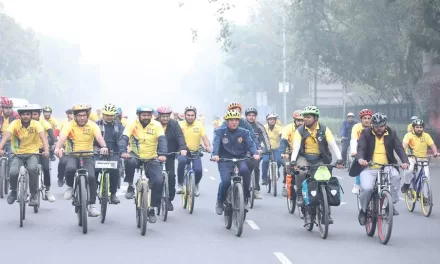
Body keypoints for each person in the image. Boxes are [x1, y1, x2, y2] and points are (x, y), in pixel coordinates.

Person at [352, 113, 409, 225]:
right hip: (369, 167)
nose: (379, 128)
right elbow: (361, 148)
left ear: (385, 125)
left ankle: (390, 205)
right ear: (372, 125)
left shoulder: (391, 132)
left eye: (381, 126)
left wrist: (405, 161)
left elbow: (399, 148)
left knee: (396, 177)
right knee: (367, 189)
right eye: (376, 126)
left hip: (387, 166)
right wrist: (360, 159)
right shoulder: (366, 133)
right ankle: (363, 210)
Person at [54, 104, 109, 217]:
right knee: (70, 168)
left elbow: (99, 137)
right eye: (79, 115)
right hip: (73, 154)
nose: (82, 118)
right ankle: (69, 187)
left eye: (84, 115)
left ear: (87, 115)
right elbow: (63, 137)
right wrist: (58, 148)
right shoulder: (69, 125)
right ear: (74, 116)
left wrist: (104, 146)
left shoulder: (92, 125)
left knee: (92, 177)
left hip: (88, 154)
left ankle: (92, 206)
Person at [118, 105, 167, 223]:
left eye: (148, 115)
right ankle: (130, 185)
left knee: (159, 181)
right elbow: (124, 138)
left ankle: (152, 208)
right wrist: (123, 151)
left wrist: (162, 154)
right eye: (144, 115)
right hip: (136, 155)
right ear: (138, 115)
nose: (146, 117)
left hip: (151, 157)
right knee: (129, 162)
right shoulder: (132, 124)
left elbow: (162, 140)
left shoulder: (156, 125)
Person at [290, 105, 344, 212]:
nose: (305, 119)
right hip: (304, 157)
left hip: (320, 158)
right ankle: (300, 195)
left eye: (308, 117)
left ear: (316, 118)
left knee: (324, 178)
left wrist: (339, 159)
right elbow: (296, 147)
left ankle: (325, 202)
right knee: (301, 173)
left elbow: (333, 145)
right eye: (304, 117)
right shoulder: (300, 131)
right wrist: (293, 161)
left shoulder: (324, 129)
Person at [211, 110, 260, 215]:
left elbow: (251, 144)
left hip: (240, 158)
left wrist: (255, 153)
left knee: (245, 172)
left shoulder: (244, 132)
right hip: (225, 159)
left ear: (239, 121)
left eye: (236, 120)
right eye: (231, 120)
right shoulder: (220, 132)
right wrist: (215, 155)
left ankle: (245, 198)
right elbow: (216, 144)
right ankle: (220, 201)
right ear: (227, 121)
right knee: (226, 181)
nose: (234, 122)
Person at [0, 105, 49, 205]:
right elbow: (6, 137)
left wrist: (46, 151)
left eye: (28, 114)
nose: (26, 116)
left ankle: (34, 194)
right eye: (23, 114)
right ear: (20, 115)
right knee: (13, 172)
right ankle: (13, 191)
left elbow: (44, 138)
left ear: (31, 115)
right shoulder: (14, 124)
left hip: (33, 153)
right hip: (17, 154)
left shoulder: (36, 124)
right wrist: (0, 148)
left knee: (32, 169)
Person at [156, 105, 187, 211]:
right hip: (155, 153)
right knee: (155, 177)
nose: (165, 118)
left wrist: (182, 147)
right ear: (159, 116)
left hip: (170, 153)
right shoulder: (153, 124)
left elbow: (180, 136)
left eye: (167, 116)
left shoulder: (174, 124)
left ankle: (169, 199)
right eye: (163, 116)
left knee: (171, 176)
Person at [177, 106, 212, 196]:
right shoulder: (179, 124)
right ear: (185, 115)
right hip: (183, 152)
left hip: (195, 152)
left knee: (198, 170)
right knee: (182, 162)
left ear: (195, 116)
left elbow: (204, 138)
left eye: (192, 115)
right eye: (188, 115)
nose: (190, 117)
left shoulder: (199, 125)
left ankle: (195, 184)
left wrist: (208, 146)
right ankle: (180, 184)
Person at [94, 103, 124, 204]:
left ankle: (113, 194)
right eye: (107, 115)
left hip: (114, 151)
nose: (109, 117)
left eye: (111, 115)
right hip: (98, 151)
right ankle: (93, 189)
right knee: (95, 169)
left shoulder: (119, 125)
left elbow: (122, 138)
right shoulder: (96, 124)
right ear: (103, 114)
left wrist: (123, 149)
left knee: (115, 170)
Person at [401, 118, 439, 193]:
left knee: (426, 177)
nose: (419, 129)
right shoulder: (408, 135)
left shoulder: (426, 136)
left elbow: (432, 145)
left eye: (421, 127)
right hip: (411, 157)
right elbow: (403, 146)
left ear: (423, 128)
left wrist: (435, 152)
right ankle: (407, 183)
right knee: (409, 170)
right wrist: (403, 154)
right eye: (417, 127)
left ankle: (425, 198)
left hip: (423, 159)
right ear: (413, 127)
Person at [29, 104, 56, 202]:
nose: (33, 116)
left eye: (35, 114)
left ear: (39, 114)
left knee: (45, 168)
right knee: (29, 170)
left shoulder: (44, 123)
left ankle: (48, 191)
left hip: (42, 149)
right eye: (31, 114)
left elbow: (51, 134)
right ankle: (28, 192)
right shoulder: (25, 123)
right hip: (30, 150)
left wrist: (55, 143)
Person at [244, 107, 270, 199]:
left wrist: (267, 149)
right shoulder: (241, 125)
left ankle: (256, 189)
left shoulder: (259, 126)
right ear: (246, 116)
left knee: (256, 167)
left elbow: (265, 138)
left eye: (253, 115)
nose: (251, 117)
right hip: (243, 150)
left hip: (256, 150)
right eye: (249, 115)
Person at [280, 110, 304, 197]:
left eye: (302, 120)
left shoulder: (306, 128)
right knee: (287, 164)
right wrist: (283, 152)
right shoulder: (288, 128)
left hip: (302, 153)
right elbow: (283, 140)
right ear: (295, 120)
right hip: (289, 152)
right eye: (298, 120)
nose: (300, 122)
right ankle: (285, 184)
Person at [349, 109, 373, 194]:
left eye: (369, 118)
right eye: (364, 118)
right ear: (361, 119)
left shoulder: (374, 126)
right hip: (359, 149)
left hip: (371, 150)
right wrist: (353, 151)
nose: (367, 120)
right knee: (360, 165)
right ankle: (357, 184)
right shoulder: (356, 127)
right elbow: (354, 140)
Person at [262, 113, 283, 185]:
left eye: (273, 119)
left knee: (279, 161)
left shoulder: (279, 128)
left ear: (275, 120)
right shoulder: (263, 127)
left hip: (276, 148)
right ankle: (264, 178)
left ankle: (276, 170)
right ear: (267, 120)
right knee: (265, 161)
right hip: (265, 148)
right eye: (270, 119)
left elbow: (282, 136)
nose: (272, 120)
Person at [57, 108, 74, 187]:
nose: (73, 115)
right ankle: (60, 178)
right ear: (68, 115)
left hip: (77, 147)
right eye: (71, 114)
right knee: (62, 162)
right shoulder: (63, 123)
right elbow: (56, 132)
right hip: (64, 145)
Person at [0, 97, 19, 161]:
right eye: (6, 108)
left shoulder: (15, 115)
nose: (8, 110)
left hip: (13, 139)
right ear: (2, 108)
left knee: (12, 157)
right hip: (1, 137)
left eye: (10, 108)